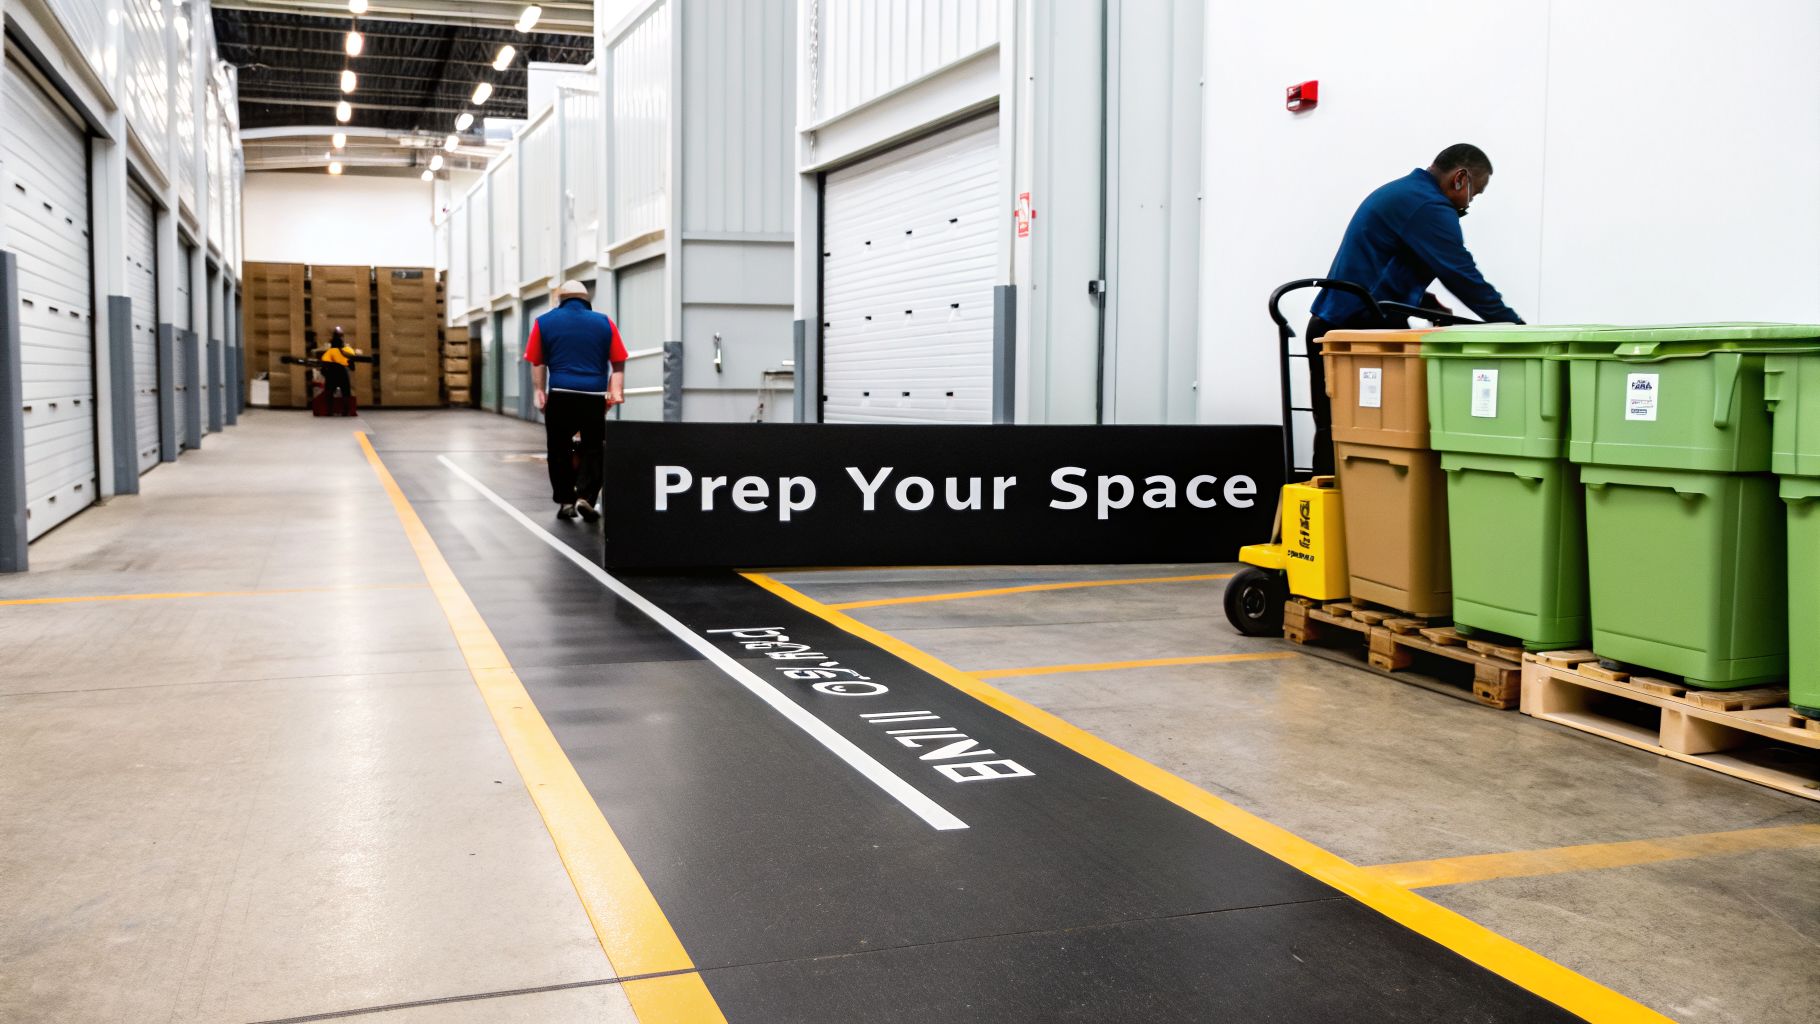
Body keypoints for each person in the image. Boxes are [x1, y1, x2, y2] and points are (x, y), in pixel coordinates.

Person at [1305, 143, 1524, 475]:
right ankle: (1350, 514)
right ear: (1460, 178)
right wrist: (1515, 328)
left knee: (1340, 432)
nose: (1470, 203)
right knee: (1366, 436)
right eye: (1474, 194)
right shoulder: (1428, 206)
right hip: (1357, 332)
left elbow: (1385, 261)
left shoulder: (1405, 193)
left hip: (1341, 325)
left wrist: (1423, 302)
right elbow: (1462, 275)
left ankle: (1345, 511)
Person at [525, 280, 626, 521]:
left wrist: (539, 391)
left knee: (559, 448)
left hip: (560, 393)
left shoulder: (544, 322)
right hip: (592, 396)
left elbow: (537, 361)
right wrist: (616, 390)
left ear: (561, 299)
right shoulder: (604, 322)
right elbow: (619, 360)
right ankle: (586, 497)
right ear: (586, 299)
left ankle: (566, 501)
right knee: (593, 446)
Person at [319, 326, 360, 417]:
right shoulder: (346, 350)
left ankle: (329, 410)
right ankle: (346, 410)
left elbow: (324, 362)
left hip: (332, 372)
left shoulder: (329, 350)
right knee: (345, 392)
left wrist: (324, 371)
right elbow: (351, 363)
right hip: (342, 372)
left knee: (329, 392)